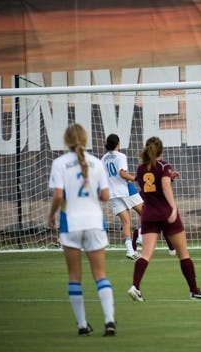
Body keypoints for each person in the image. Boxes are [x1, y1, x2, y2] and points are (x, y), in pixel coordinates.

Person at [47, 123, 116, 336]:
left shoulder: (59, 163)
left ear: (66, 141)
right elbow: (105, 196)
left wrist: (51, 216)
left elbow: (58, 195)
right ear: (85, 139)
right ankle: (109, 320)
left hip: (71, 224)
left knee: (74, 276)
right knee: (100, 274)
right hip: (95, 222)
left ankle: (82, 324)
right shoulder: (96, 162)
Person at [127, 136, 201, 301]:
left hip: (149, 214)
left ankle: (135, 286)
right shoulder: (164, 166)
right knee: (183, 254)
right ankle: (194, 291)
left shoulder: (141, 169)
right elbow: (164, 186)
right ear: (161, 151)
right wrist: (173, 208)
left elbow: (151, 183)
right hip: (165, 214)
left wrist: (169, 177)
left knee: (145, 255)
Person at [101, 134, 176, 260]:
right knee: (145, 211)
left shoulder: (103, 159)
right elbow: (122, 173)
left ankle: (130, 250)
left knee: (126, 222)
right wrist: (135, 178)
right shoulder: (120, 156)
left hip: (113, 193)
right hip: (125, 189)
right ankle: (141, 236)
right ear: (118, 143)